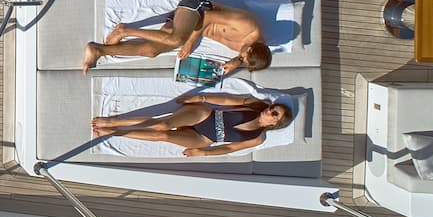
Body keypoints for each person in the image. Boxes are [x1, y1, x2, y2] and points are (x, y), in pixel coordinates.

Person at [80, 0, 272, 73]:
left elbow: (245, 56)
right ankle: (124, 30)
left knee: (152, 51)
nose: (240, 53)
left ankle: (98, 50)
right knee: (178, 40)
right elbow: (207, 18)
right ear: (254, 47)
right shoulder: (247, 25)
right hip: (197, 8)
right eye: (244, 55)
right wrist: (189, 42)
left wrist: (236, 62)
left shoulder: (249, 51)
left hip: (188, 25)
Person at [90, 94, 292, 156]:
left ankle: (114, 133)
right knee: (162, 125)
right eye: (273, 106)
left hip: (205, 139)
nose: (270, 109)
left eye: (274, 113)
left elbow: (228, 148)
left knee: (164, 136)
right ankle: (111, 121)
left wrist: (202, 153)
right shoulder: (257, 105)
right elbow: (228, 100)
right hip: (203, 116)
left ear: (275, 123)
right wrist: (201, 97)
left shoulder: (257, 138)